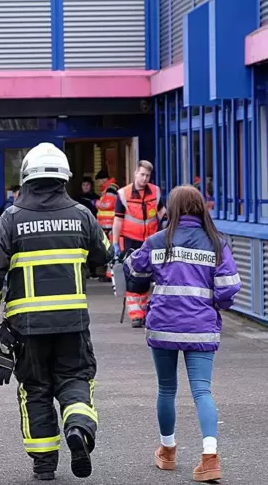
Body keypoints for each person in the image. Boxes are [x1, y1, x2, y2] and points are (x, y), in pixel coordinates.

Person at [0, 142, 114, 481]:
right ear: (64, 178)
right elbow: (105, 254)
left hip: (28, 327)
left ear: (26, 178)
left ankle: (44, 464)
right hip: (72, 322)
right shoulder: (82, 214)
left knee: (35, 389)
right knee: (75, 378)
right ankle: (78, 428)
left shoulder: (11, 218)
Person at [123, 185, 240, 483]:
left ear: (172, 209)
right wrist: (216, 305)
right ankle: (210, 457)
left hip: (163, 327)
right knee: (202, 391)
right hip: (201, 328)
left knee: (167, 389)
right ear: (200, 208)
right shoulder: (216, 243)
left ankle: (168, 451)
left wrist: (127, 260)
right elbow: (228, 288)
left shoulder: (158, 241)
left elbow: (135, 273)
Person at [112, 160, 165, 328]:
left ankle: (143, 312)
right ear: (136, 173)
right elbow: (118, 221)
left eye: (147, 176)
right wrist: (115, 243)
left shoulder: (155, 192)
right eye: (142, 174)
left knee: (148, 277)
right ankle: (136, 315)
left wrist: (165, 227)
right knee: (134, 278)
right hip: (131, 241)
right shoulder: (123, 194)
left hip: (151, 241)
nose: (144, 178)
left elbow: (162, 212)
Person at [95, 178, 119, 282]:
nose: (99, 183)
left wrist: (96, 203)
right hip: (107, 228)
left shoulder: (111, 191)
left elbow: (107, 205)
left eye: (100, 180)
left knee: (110, 252)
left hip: (110, 228)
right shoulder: (107, 191)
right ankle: (108, 274)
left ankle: (110, 275)